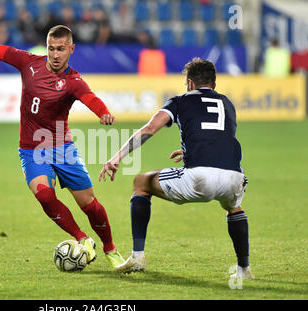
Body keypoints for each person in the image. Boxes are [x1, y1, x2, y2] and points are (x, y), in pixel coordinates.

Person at [0, 25, 125, 268]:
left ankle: (110, 248)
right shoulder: (28, 63)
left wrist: (103, 113)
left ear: (71, 49)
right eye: (51, 48)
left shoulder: (73, 81)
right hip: (32, 149)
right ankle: (82, 238)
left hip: (63, 147)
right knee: (45, 195)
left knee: (89, 204)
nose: (55, 54)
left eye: (61, 49)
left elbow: (90, 97)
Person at [99, 58, 254, 280]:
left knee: (141, 182)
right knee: (234, 208)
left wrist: (118, 156)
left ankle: (137, 256)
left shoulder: (180, 100)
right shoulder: (228, 103)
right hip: (234, 177)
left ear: (190, 83)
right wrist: (191, 150)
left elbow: (151, 128)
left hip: (200, 177)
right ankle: (244, 269)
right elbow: (220, 136)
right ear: (214, 83)